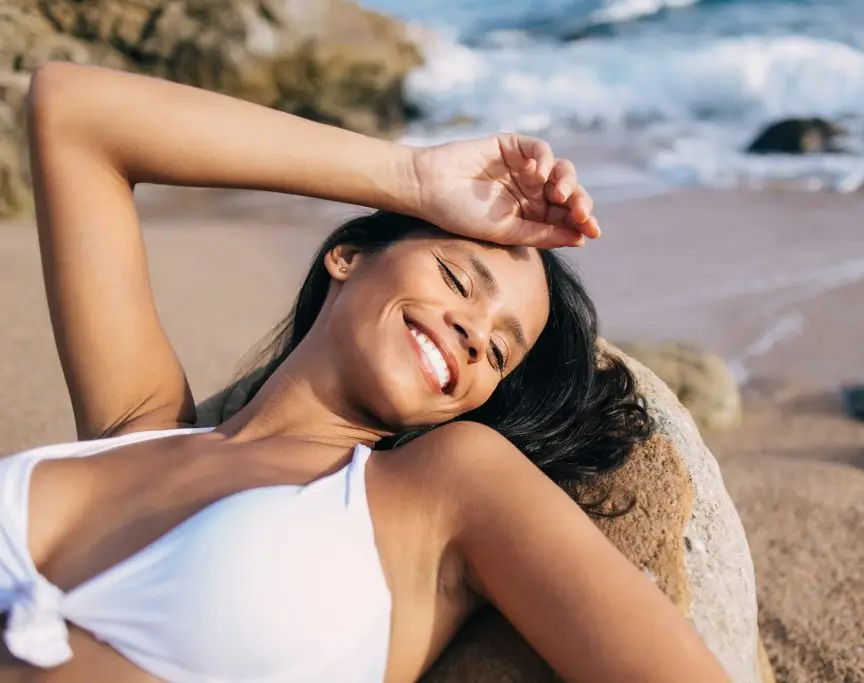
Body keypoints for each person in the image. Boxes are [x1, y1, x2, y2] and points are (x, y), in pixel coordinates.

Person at [0, 63, 730, 683]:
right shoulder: (136, 422)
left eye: (500, 352)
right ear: (347, 255)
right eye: (455, 277)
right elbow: (72, 108)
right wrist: (411, 174)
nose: (475, 334)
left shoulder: (441, 489)